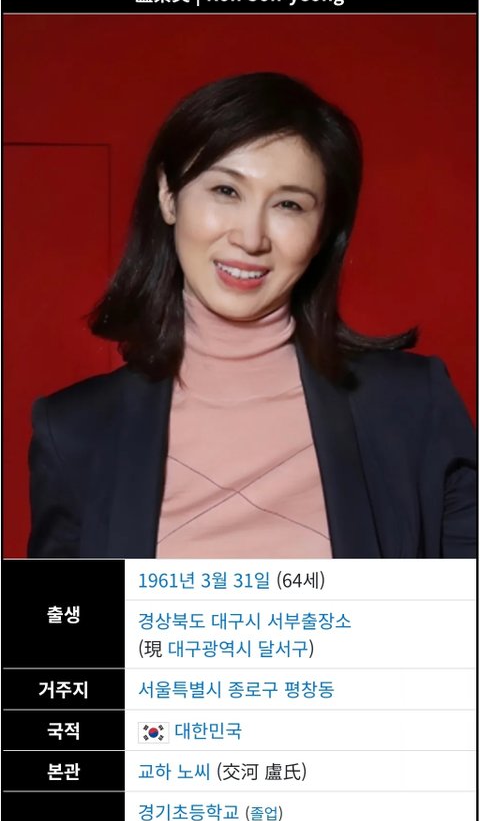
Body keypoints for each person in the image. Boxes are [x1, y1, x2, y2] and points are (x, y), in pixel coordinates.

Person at [27, 71, 476, 560]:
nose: (251, 238)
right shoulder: (75, 431)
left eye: (289, 204)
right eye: (226, 191)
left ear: (323, 231)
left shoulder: (413, 406)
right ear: (168, 195)